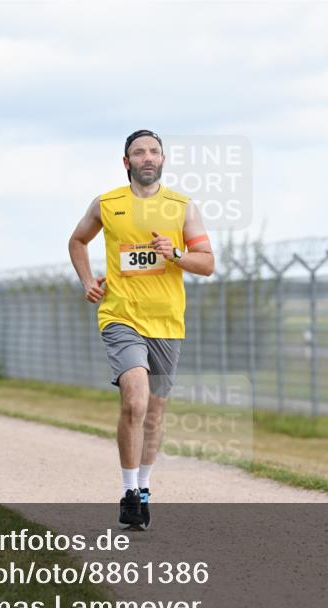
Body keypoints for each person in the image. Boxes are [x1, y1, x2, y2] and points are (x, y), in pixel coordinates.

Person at [68, 129, 215, 529]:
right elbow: (78, 241)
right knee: (135, 398)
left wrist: (177, 255)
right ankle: (129, 491)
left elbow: (207, 263)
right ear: (126, 162)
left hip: (167, 320)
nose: (147, 157)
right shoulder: (107, 203)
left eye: (154, 151)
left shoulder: (182, 207)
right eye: (139, 152)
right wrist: (87, 281)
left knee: (154, 412)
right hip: (120, 315)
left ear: (163, 160)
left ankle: (145, 487)